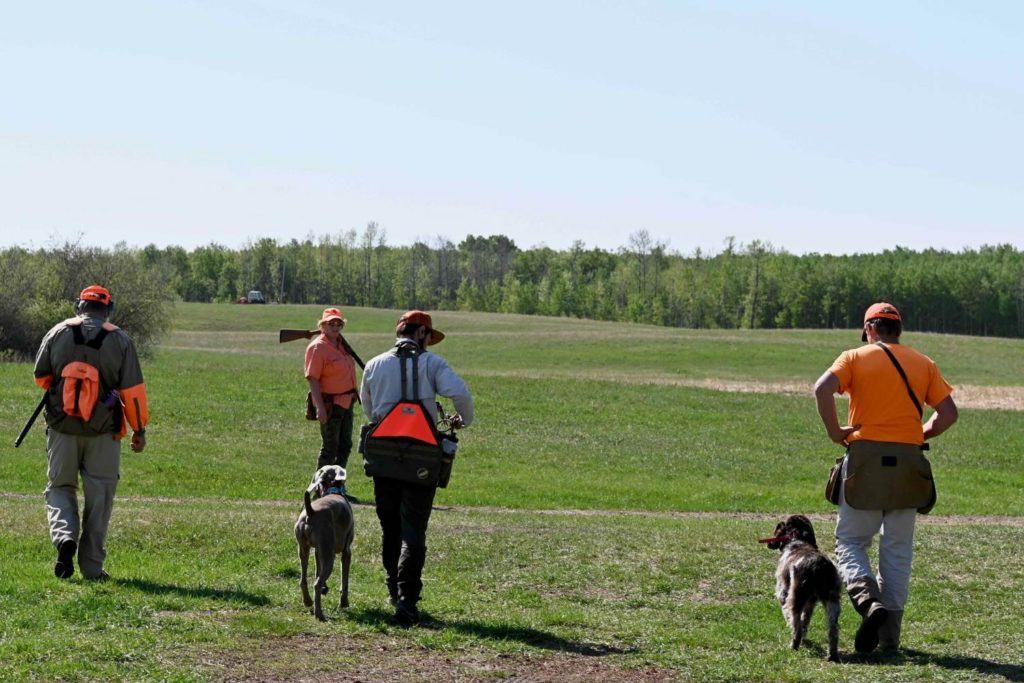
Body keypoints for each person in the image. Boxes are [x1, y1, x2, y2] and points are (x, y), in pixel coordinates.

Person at [814, 302, 958, 653]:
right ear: (899, 331)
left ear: (870, 330)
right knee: (897, 550)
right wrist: (919, 433)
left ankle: (868, 603)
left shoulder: (853, 358)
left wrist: (836, 432)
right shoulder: (924, 363)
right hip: (909, 465)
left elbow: (821, 389)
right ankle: (889, 638)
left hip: (865, 461)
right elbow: (949, 414)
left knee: (850, 541)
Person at [359, 310, 473, 625]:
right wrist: (462, 420)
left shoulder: (373, 364)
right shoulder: (432, 364)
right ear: (421, 333)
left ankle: (393, 589)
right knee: (414, 531)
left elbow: (368, 409)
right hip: (422, 459)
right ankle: (408, 602)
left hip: (383, 456)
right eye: (429, 337)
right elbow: (460, 394)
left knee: (390, 527)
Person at [32, 285, 149, 580]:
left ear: (78, 306)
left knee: (60, 488)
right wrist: (139, 429)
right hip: (104, 433)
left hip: (61, 428)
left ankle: (64, 538)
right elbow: (132, 392)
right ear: (108, 309)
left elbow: (40, 376)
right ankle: (93, 567)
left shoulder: (57, 332)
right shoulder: (121, 339)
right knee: (100, 497)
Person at [305, 308, 358, 473]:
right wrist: (319, 407)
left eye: (338, 323)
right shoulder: (317, 347)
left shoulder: (341, 344)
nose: (335, 327)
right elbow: (313, 378)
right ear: (322, 325)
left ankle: (337, 484)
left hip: (347, 402)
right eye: (331, 323)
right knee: (330, 447)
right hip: (330, 404)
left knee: (345, 445)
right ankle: (320, 488)